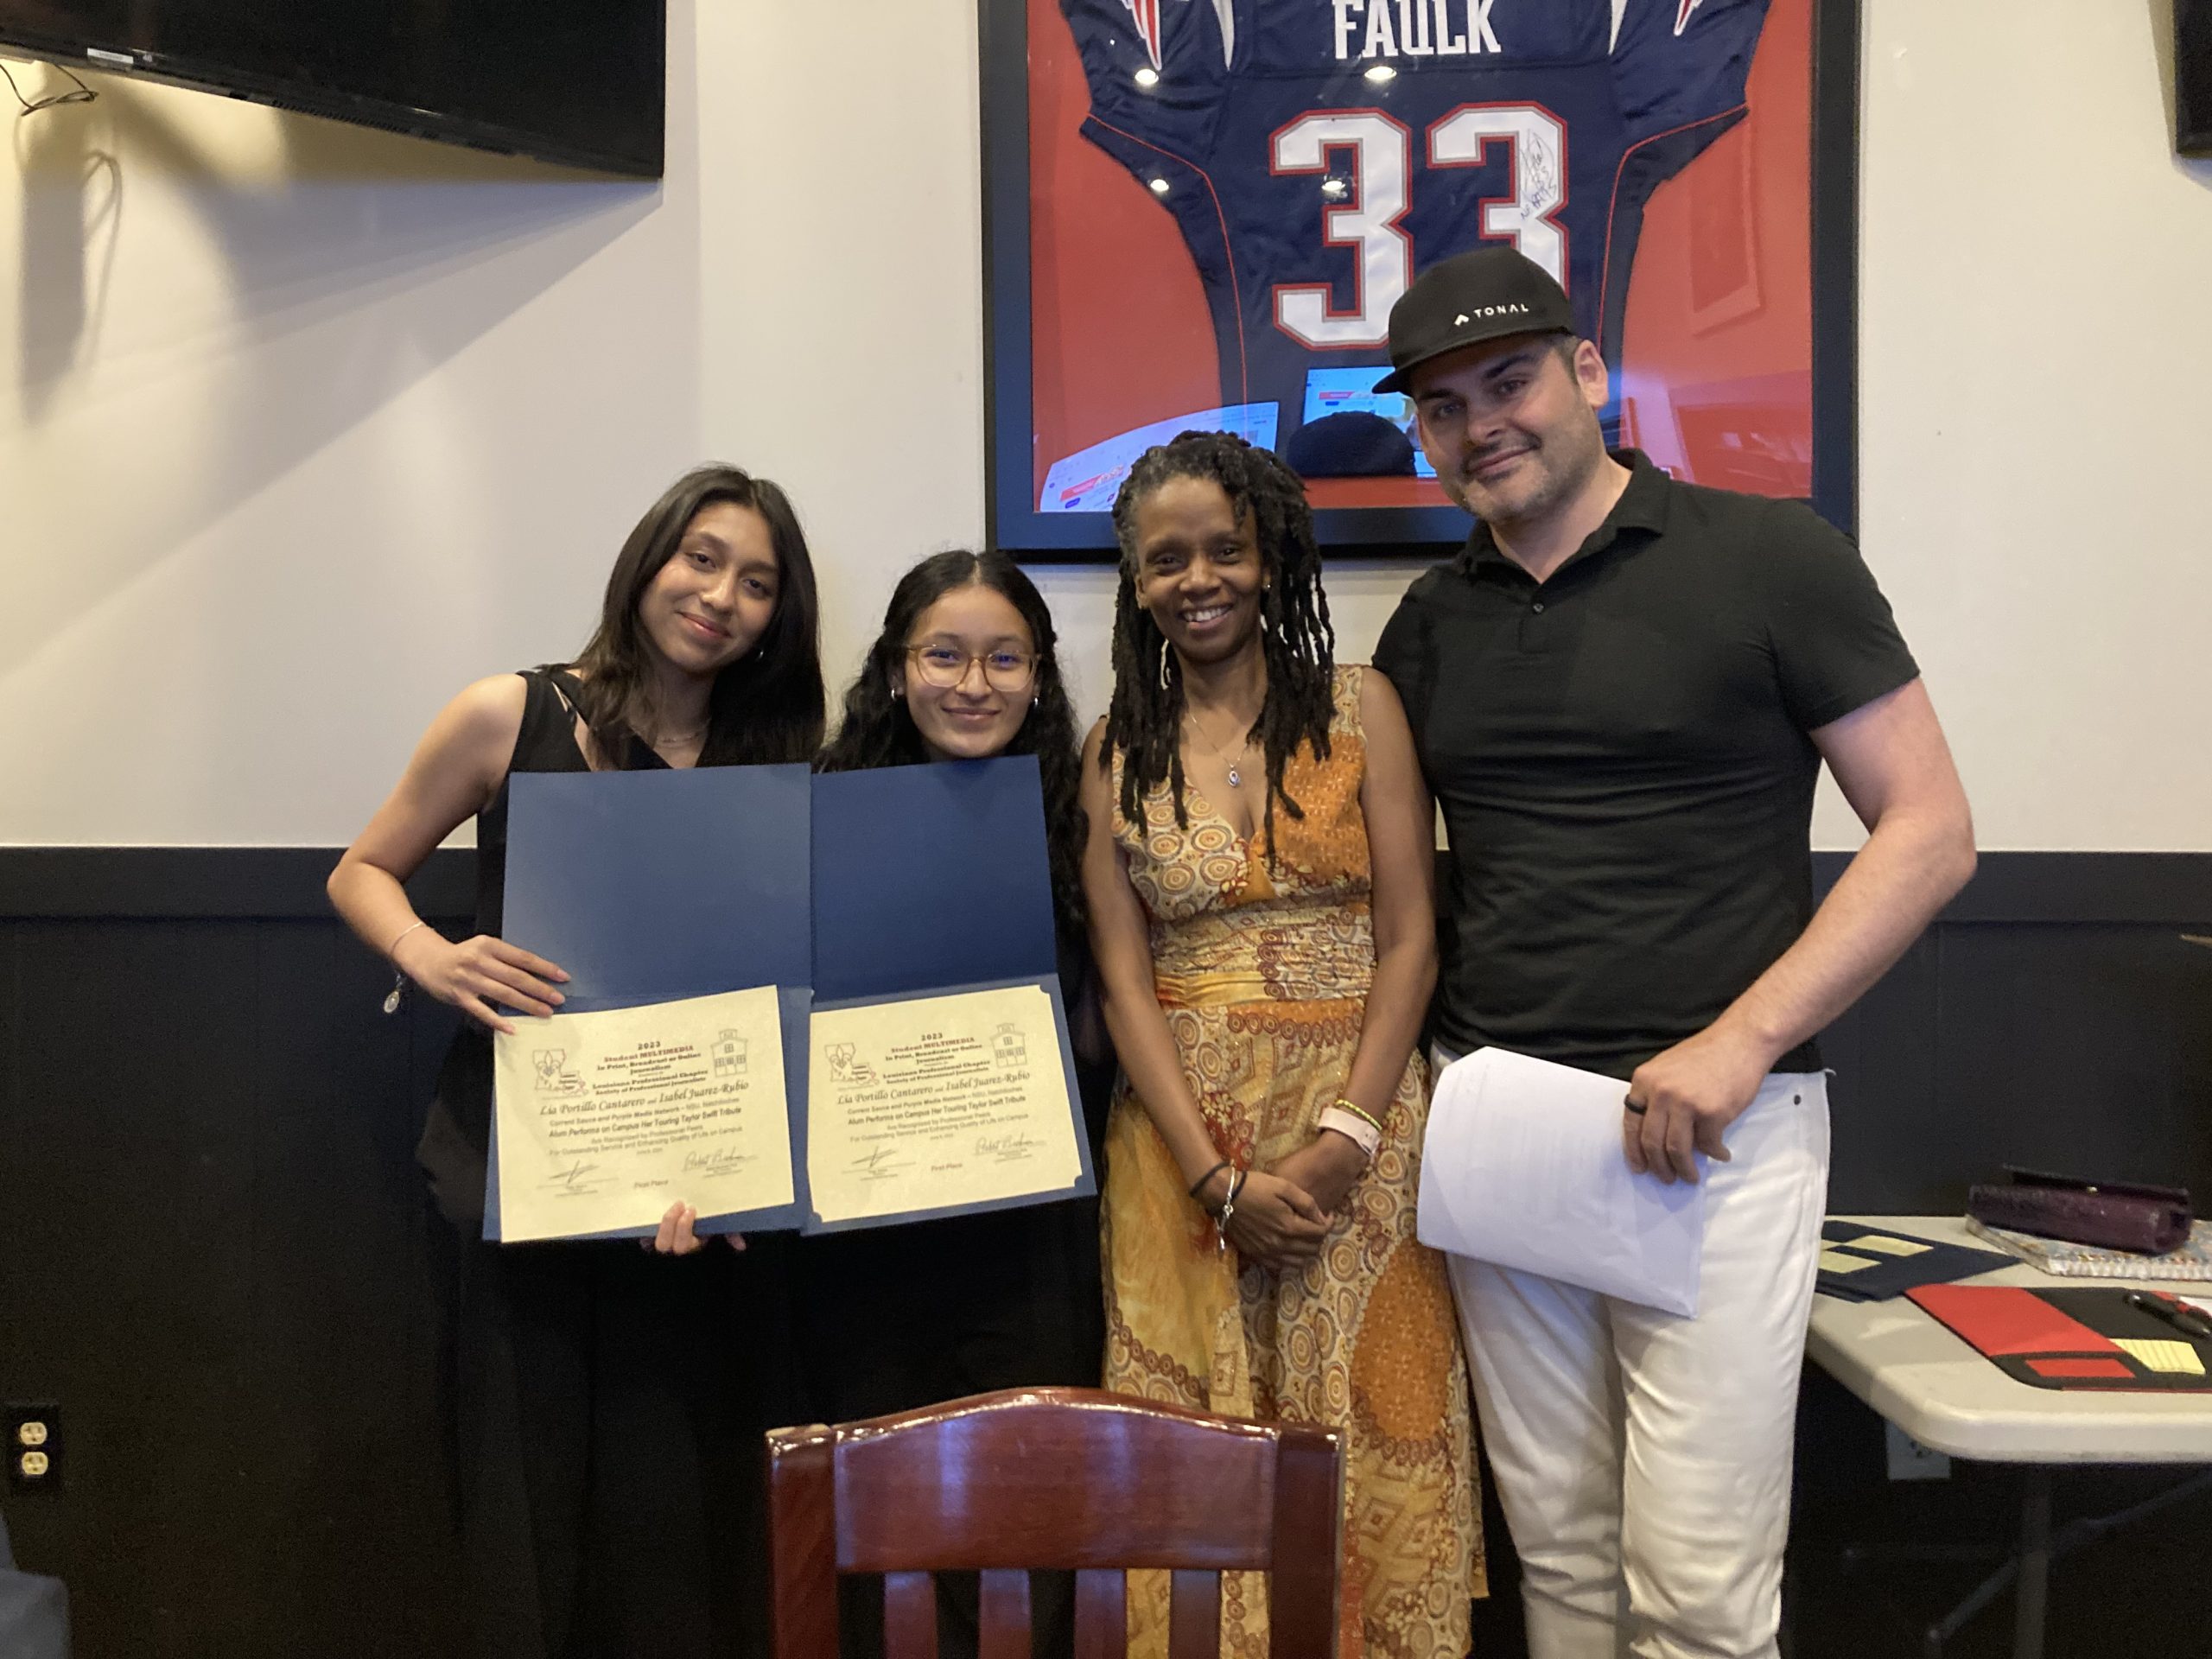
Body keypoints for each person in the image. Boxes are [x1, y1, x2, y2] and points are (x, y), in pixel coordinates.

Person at [1370, 246, 1977, 1659]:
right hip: (1504, 1124)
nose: (1483, 424)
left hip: (1718, 1132)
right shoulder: (1429, 624)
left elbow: (1933, 830)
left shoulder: (1773, 556)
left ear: (1589, 374)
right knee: (1566, 1573)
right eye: (1445, 406)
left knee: (1700, 1596)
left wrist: (1742, 1040)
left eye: (1509, 380)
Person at [327, 464, 826, 1658]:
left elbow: (772, 986)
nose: (721, 598)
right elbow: (360, 869)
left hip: (691, 1200)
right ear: (648, 558)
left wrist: (747, 1166)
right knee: (525, 1491)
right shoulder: (513, 709)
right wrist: (430, 958)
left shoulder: (777, 756)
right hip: (523, 1161)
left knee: (670, 1516)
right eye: (700, 559)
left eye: (757, 583)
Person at [1080, 431, 1481, 1659]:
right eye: (1166, 560)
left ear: (1271, 558)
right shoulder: (1111, 751)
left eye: (1223, 550)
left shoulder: (1365, 708)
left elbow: (1412, 937)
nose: (1197, 579)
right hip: (1184, 1148)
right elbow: (1123, 977)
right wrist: (1217, 1178)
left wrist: (1350, 1135)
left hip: (1363, 1128)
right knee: (1195, 1440)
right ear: (1137, 583)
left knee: (1380, 1420)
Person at [797, 549, 1113, 1659]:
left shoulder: (1078, 815)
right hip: (864, 1240)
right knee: (875, 1536)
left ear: (1038, 675)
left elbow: (1096, 1027)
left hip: (1026, 1232)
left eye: (1003, 658)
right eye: (943, 655)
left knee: (1020, 1527)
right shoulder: (816, 816)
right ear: (894, 671)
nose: (972, 683)